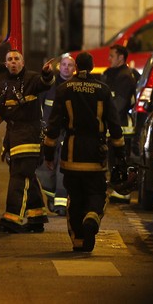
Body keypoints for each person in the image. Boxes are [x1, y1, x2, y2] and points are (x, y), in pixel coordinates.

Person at [42, 52, 126, 252]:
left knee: (75, 197)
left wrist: (48, 153)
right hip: (95, 155)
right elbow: (114, 124)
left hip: (71, 153)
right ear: (93, 65)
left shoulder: (64, 89)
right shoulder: (103, 90)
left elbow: (53, 125)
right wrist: (120, 153)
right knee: (96, 192)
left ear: (76, 67)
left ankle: (79, 241)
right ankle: (92, 217)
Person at [0, 50, 55, 233]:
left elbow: (46, 83)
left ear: (23, 63)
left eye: (17, 59)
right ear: (5, 64)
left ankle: (11, 219)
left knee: (19, 178)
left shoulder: (33, 79)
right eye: (9, 59)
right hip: (14, 138)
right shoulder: (4, 85)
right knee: (27, 177)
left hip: (29, 137)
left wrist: (47, 73)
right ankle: (36, 218)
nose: (13, 62)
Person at [35, 54, 76, 216]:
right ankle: (52, 197)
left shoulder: (76, 86)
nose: (66, 67)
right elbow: (38, 107)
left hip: (68, 133)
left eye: (70, 65)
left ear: (75, 69)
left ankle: (61, 204)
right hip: (49, 133)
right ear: (59, 67)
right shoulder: (49, 85)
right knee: (45, 169)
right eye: (64, 64)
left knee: (63, 169)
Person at [101, 44, 139, 203]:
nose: (109, 58)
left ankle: (123, 192)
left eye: (112, 56)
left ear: (121, 57)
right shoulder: (110, 74)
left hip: (121, 125)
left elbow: (120, 104)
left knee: (120, 158)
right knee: (111, 158)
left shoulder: (125, 76)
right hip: (111, 124)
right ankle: (116, 188)